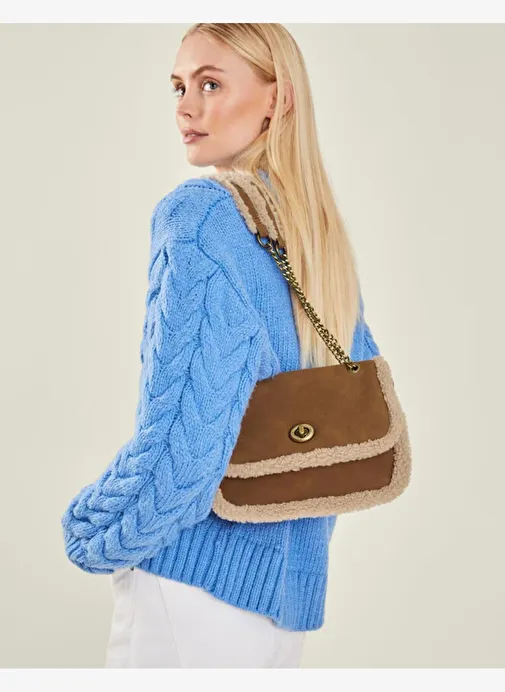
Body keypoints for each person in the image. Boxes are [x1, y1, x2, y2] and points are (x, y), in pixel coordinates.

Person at [61, 23, 381, 669]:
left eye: (210, 84)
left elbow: (184, 434)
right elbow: (344, 423)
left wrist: (92, 528)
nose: (186, 107)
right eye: (179, 86)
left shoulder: (202, 214)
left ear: (276, 98)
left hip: (193, 580)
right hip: (285, 595)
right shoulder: (313, 234)